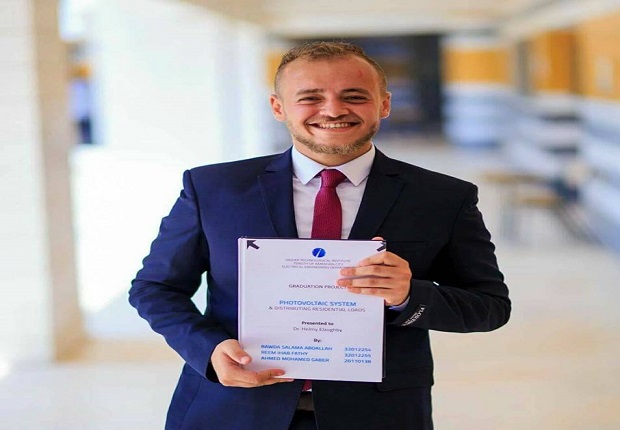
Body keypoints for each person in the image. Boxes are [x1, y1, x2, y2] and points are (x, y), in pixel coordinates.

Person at [129, 41, 510, 430]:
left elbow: (490, 306)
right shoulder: (213, 188)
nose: (333, 110)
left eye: (354, 96)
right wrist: (207, 348)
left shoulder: (442, 197)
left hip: (379, 415)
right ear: (278, 107)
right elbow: (154, 288)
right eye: (310, 97)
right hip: (230, 409)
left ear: (384, 104)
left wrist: (409, 295)